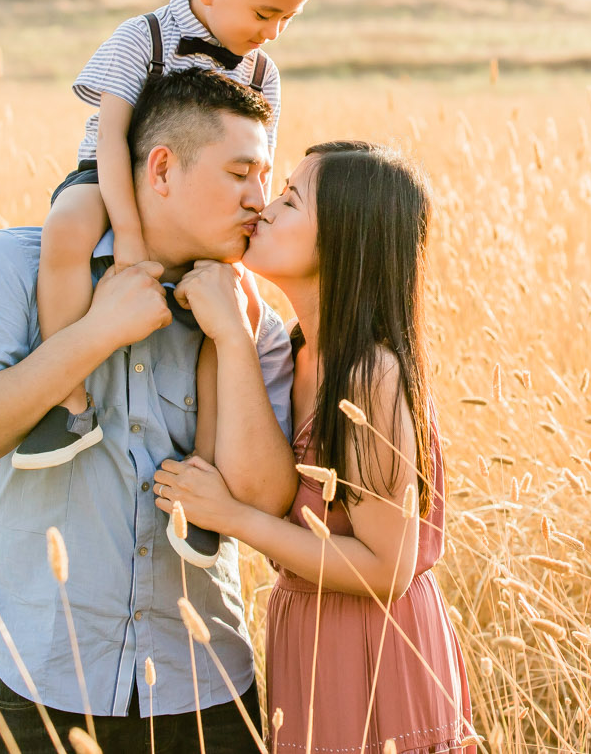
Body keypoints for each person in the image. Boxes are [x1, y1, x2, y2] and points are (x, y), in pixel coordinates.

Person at [0, 69, 298, 753]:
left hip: (206, 687)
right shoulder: (14, 267)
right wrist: (95, 332)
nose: (260, 199)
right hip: (42, 683)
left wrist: (234, 340)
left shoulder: (250, 319)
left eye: (267, 175)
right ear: (161, 169)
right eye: (241, 171)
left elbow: (265, 499)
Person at [153, 142, 476, 754]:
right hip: (310, 634)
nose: (267, 209)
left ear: (344, 240)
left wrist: (233, 519)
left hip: (376, 651)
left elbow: (387, 568)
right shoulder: (296, 352)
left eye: (292, 199)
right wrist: (230, 331)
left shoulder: (367, 377)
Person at [20, 0, 321, 482]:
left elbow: (257, 160)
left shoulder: (263, 73)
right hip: (111, 175)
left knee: (227, 296)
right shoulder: (143, 38)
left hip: (199, 200)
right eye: (264, 15)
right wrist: (127, 234)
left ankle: (206, 461)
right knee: (66, 230)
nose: (275, 33)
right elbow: (110, 139)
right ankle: (68, 398)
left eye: (289, 19)